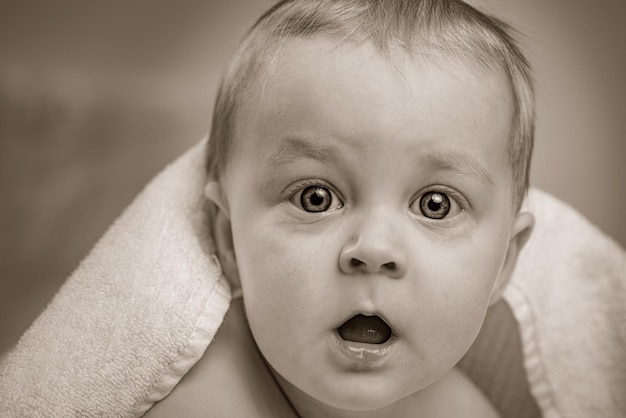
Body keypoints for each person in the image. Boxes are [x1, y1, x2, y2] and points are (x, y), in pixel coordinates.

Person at [146, 0, 535, 416]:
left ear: (503, 264)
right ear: (228, 237)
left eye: (434, 205)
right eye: (317, 198)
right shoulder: (201, 403)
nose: (374, 249)